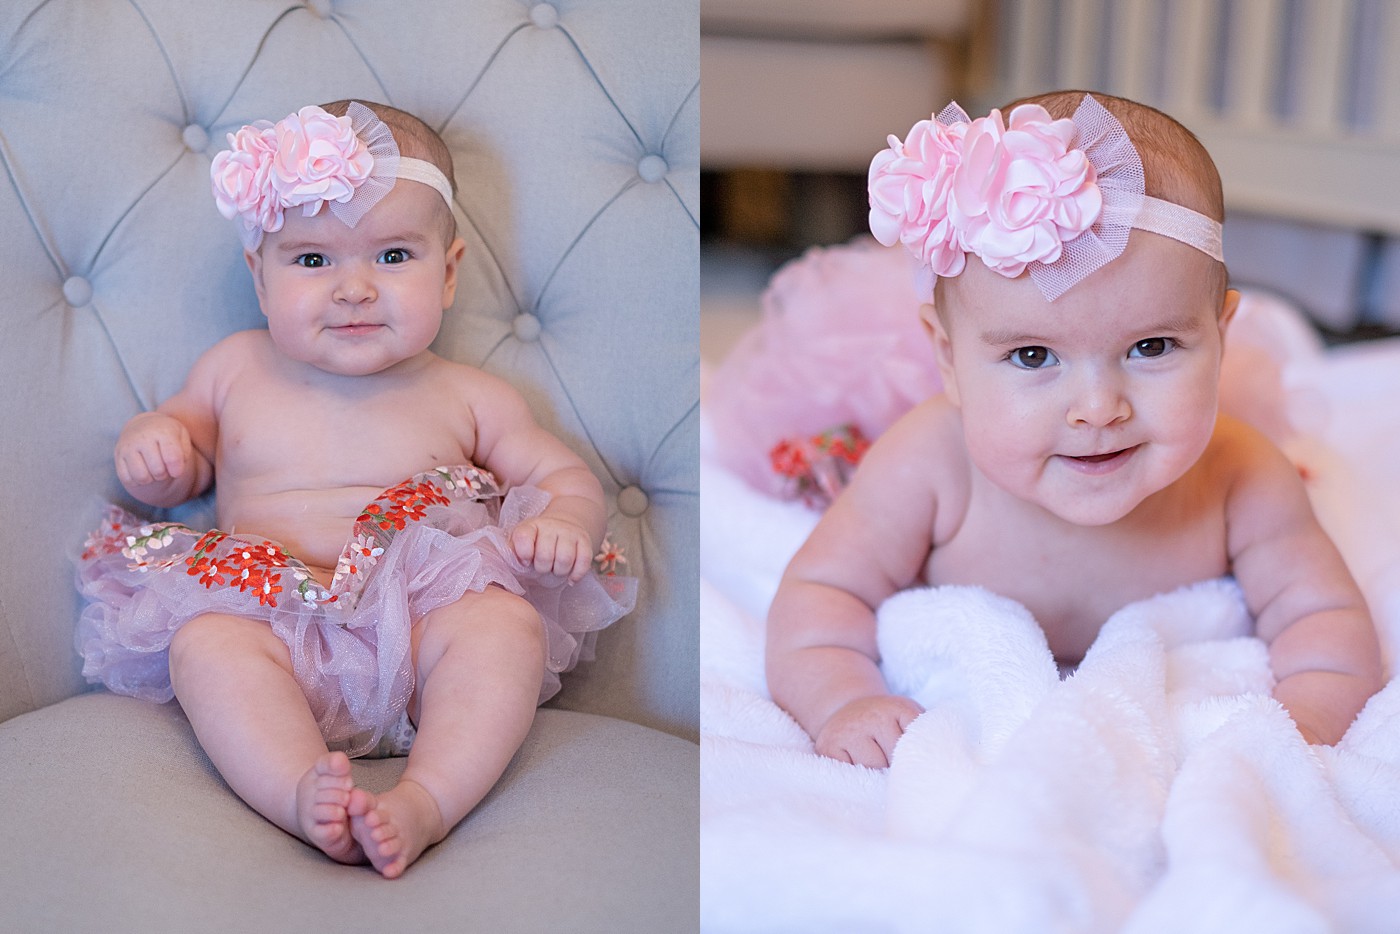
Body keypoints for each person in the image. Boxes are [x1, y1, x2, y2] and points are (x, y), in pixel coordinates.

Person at [76, 100, 635, 877]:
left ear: (448, 272)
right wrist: (161, 450)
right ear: (259, 277)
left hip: (424, 617)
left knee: (504, 627)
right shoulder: (234, 370)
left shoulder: (470, 395)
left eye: (393, 257)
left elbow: (558, 474)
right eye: (312, 261)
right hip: (267, 617)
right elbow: (186, 453)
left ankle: (429, 799)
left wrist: (568, 518)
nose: (354, 290)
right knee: (205, 646)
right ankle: (300, 793)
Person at [765, 90, 1383, 769]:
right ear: (947, 356)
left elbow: (1322, 620)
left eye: (1151, 347)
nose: (1097, 408)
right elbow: (822, 598)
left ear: (1220, 336)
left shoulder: (1241, 474)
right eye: (1033, 356)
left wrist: (1308, 718)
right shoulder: (929, 462)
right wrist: (844, 701)